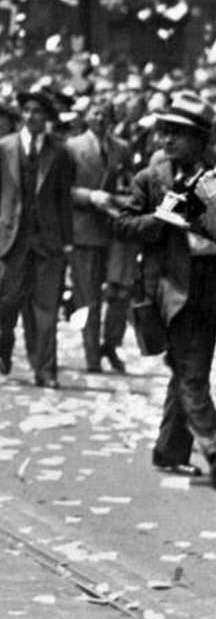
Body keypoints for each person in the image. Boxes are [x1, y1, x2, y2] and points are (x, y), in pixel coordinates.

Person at [109, 92, 216, 484]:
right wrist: (162, 219)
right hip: (174, 290)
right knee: (192, 374)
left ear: (202, 139)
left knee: (189, 370)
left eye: (180, 133)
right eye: (165, 132)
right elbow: (122, 226)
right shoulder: (151, 179)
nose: (168, 140)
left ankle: (170, 451)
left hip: (210, 285)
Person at [0, 82, 75, 389]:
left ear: (47, 117)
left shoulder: (60, 152)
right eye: (28, 111)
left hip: (47, 241)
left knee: (45, 308)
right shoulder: (3, 148)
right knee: (7, 304)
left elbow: (64, 200)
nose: (32, 116)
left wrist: (67, 242)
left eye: (38, 112)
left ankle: (45, 369)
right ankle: (4, 341)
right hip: (11, 240)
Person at [66, 95, 134, 374]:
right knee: (89, 296)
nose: (100, 118)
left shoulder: (122, 148)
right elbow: (63, 189)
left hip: (116, 230)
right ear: (86, 116)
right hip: (84, 229)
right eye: (95, 112)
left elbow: (131, 184)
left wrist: (121, 200)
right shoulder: (72, 147)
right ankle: (92, 355)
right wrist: (91, 196)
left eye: (105, 113)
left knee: (120, 292)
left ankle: (111, 343)